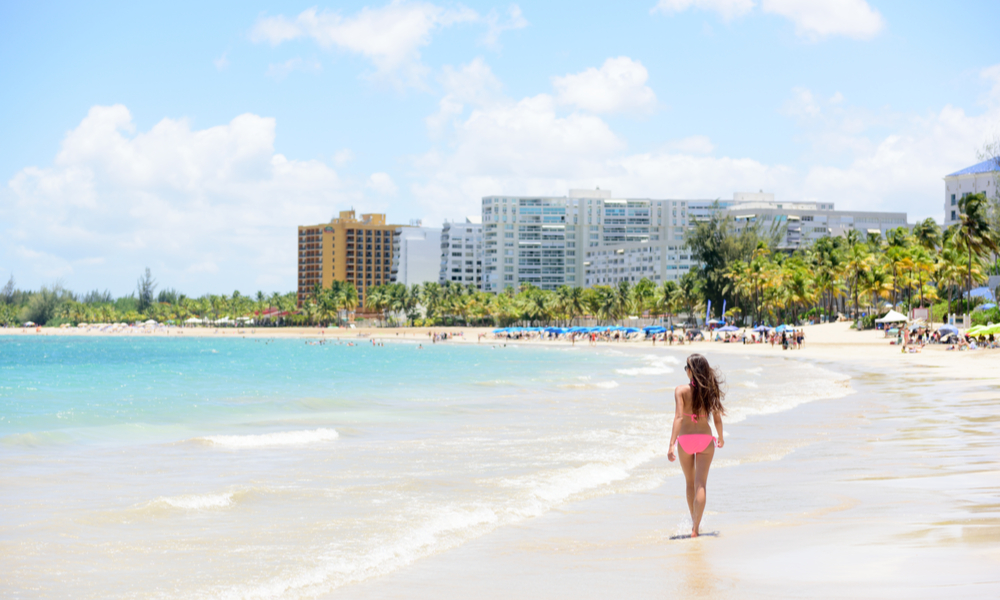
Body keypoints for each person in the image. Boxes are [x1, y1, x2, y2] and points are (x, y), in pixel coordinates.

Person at [668, 353, 726, 538]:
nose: (685, 370)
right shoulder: (710, 391)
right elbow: (717, 419)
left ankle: (694, 521)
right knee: (701, 484)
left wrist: (671, 444)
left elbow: (678, 418)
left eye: (686, 367)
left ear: (692, 371)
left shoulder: (680, 390)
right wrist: (721, 437)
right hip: (705, 439)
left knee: (690, 483)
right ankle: (695, 529)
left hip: (685, 440)